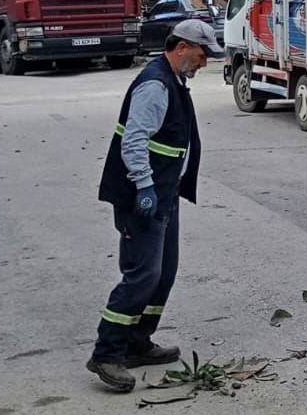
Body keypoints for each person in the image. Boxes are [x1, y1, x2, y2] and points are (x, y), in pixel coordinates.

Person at [86, 19, 224, 392]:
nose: (204, 61)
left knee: (164, 273)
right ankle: (107, 352)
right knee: (143, 274)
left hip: (163, 195)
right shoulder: (154, 84)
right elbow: (133, 141)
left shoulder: (173, 80)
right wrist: (145, 186)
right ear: (180, 47)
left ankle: (137, 341)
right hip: (142, 197)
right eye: (201, 53)